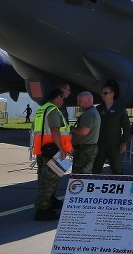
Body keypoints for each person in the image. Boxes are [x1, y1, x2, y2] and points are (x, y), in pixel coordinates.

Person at [32, 88, 72, 221]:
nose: (63, 102)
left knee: (44, 179)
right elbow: (55, 130)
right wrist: (61, 149)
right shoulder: (53, 110)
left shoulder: (41, 109)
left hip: (42, 149)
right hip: (52, 150)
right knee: (49, 181)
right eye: (62, 99)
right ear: (58, 98)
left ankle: (48, 204)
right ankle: (42, 210)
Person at [93, 80, 132, 175]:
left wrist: (124, 141)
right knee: (96, 168)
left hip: (114, 143)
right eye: (102, 92)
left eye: (105, 93)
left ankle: (120, 186)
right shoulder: (98, 109)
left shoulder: (119, 108)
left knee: (117, 169)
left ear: (112, 94)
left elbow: (126, 126)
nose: (103, 95)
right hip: (100, 143)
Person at [71, 91, 100, 174]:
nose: (77, 103)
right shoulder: (92, 112)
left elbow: (84, 131)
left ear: (88, 100)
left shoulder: (89, 114)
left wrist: (73, 130)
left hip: (84, 149)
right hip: (87, 148)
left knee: (80, 174)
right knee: (84, 173)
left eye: (79, 101)